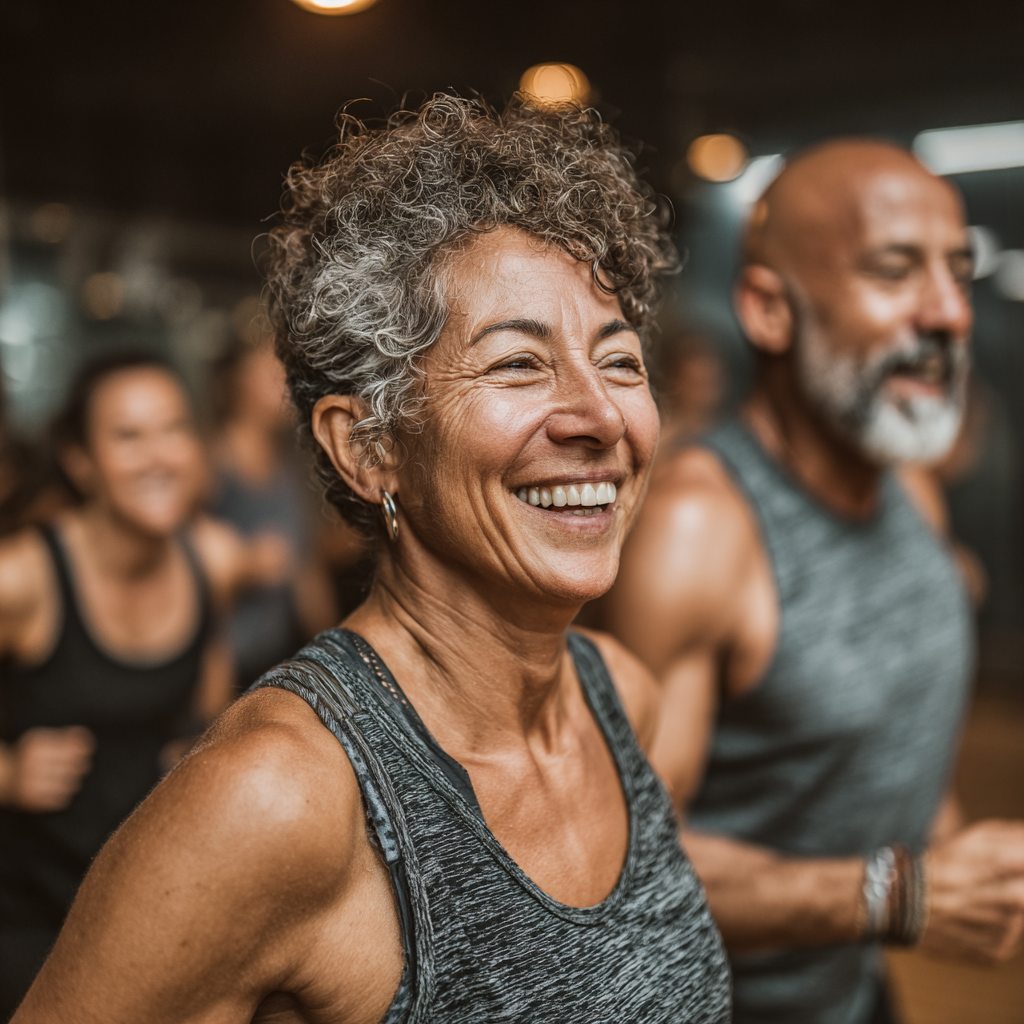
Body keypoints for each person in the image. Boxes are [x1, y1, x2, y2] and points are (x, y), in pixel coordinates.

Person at [12, 95, 732, 1024]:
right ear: (369, 447)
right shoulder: (278, 801)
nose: (600, 417)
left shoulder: (623, 698)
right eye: (518, 364)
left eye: (622, 362)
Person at [605, 139, 1024, 1024]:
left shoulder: (908, 486)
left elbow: (896, 746)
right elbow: (624, 879)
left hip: (858, 990)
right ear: (768, 308)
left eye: (956, 271)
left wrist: (953, 864)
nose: (950, 312)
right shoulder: (701, 529)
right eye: (895, 271)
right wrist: (898, 894)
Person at [0, 352, 287, 1018]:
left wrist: (197, 743)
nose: (159, 456)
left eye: (173, 429)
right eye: (128, 436)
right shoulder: (25, 580)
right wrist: (8, 772)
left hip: (142, 902)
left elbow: (208, 688)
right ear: (81, 461)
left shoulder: (211, 559)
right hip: (23, 911)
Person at [209, 336, 341, 689]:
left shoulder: (286, 467)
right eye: (270, 373)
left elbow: (305, 568)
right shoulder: (210, 464)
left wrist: (334, 657)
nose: (285, 385)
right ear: (236, 381)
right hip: (220, 667)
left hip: (273, 661)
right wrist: (247, 565)